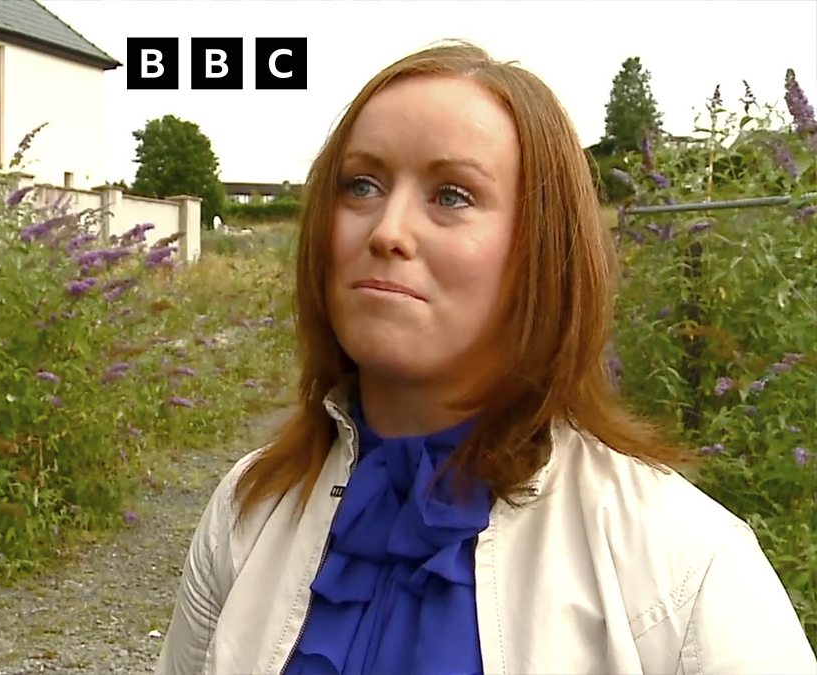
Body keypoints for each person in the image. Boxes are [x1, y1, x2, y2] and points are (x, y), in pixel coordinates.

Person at [154, 40, 817, 675]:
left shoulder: (686, 569)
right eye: (361, 185)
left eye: (452, 196)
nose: (387, 230)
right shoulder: (249, 507)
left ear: (541, 251)